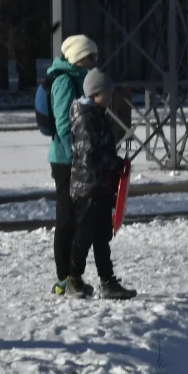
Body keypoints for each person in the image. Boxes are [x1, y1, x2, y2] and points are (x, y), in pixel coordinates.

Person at [65, 68, 137, 300]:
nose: (109, 97)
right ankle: (73, 279)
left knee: (101, 236)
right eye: (107, 93)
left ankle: (107, 281)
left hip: (100, 186)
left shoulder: (97, 114)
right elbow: (89, 157)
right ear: (95, 93)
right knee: (84, 235)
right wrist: (114, 163)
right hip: (88, 188)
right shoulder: (86, 118)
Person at [47, 34, 98, 296]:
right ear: (79, 57)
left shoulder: (79, 78)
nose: (94, 62)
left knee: (79, 219)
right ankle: (64, 279)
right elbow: (64, 123)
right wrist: (75, 156)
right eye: (91, 57)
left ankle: (72, 277)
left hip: (77, 158)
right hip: (66, 161)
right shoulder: (65, 81)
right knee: (67, 219)